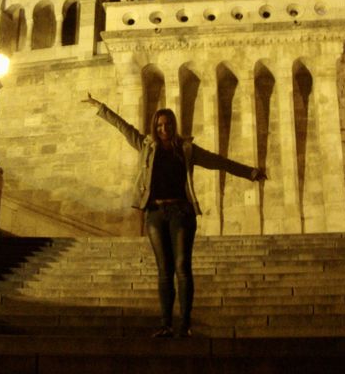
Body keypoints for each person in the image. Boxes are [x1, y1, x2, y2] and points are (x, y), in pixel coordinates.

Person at [82, 93, 267, 338]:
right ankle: (166, 323)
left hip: (181, 212)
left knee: (182, 266)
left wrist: (250, 172)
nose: (164, 128)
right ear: (154, 127)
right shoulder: (147, 146)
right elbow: (124, 128)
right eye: (159, 125)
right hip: (156, 213)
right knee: (164, 269)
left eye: (168, 124)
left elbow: (218, 161)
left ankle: (184, 323)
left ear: (174, 125)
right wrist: (101, 107)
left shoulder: (186, 149)